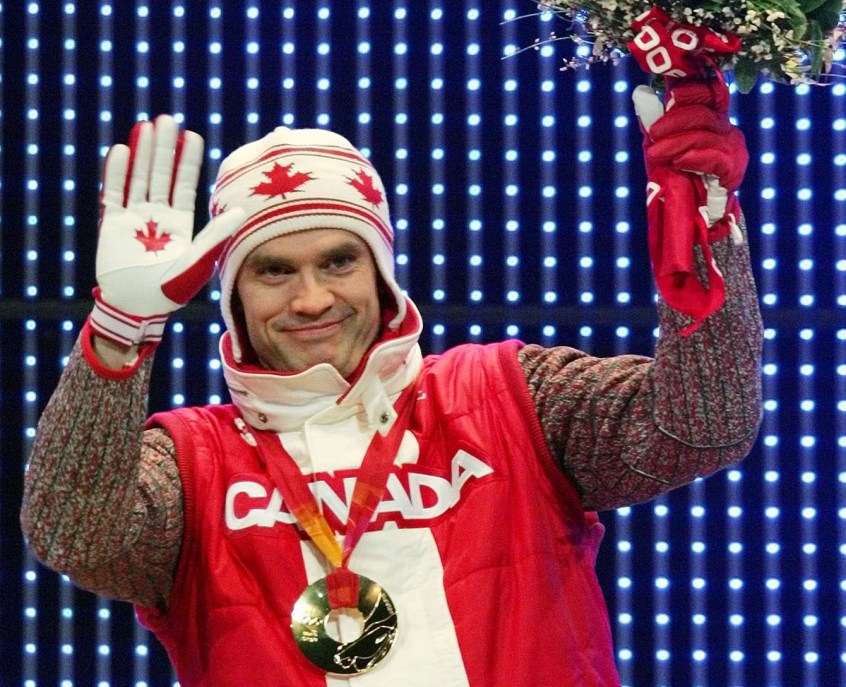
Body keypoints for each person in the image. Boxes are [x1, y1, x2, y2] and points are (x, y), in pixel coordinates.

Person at [21, 75, 762, 686]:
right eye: (274, 270)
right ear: (232, 294)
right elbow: (74, 532)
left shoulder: (508, 391)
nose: (311, 299)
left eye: (339, 261)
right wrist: (118, 335)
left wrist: (702, 235)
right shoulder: (191, 457)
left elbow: (700, 423)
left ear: (380, 272)